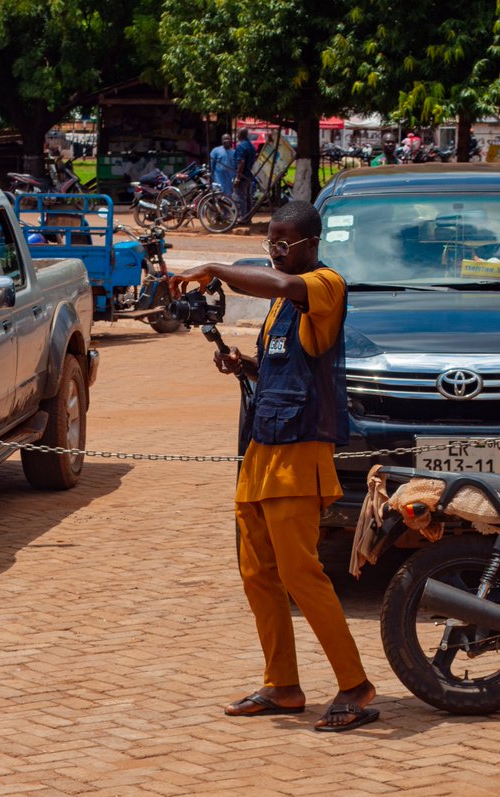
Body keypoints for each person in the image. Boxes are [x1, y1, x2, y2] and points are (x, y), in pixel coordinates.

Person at [168, 201, 378, 733]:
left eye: (285, 244)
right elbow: (289, 364)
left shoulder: (323, 285)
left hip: (299, 453)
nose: (277, 252)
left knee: (300, 574)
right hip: (263, 448)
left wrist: (214, 268)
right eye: (272, 244)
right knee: (258, 574)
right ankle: (283, 684)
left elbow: (282, 288)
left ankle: (355, 686)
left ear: (311, 242)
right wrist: (246, 364)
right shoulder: (281, 306)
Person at [233, 129, 258, 217]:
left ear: (240, 134)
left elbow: (241, 162)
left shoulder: (241, 146)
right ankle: (248, 217)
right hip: (250, 176)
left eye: (238, 133)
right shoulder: (252, 146)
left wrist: (237, 177)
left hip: (242, 177)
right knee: (248, 198)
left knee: (240, 198)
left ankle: (242, 217)